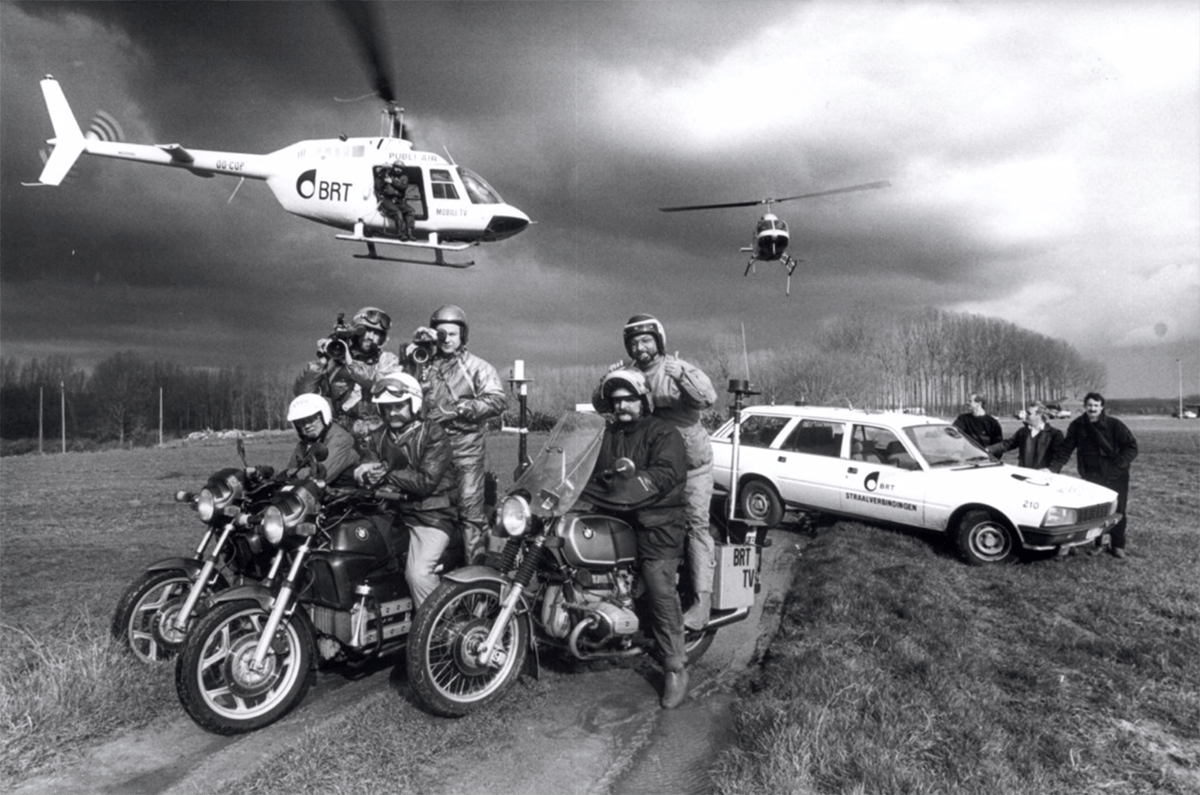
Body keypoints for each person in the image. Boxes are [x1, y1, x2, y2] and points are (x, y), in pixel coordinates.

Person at [592, 314, 718, 631]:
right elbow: (604, 405)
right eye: (634, 342)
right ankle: (631, 593)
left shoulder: (676, 369)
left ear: (659, 341)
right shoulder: (629, 373)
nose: (640, 347)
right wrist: (606, 380)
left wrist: (683, 377)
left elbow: (708, 398)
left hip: (691, 465)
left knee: (695, 525)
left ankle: (701, 603)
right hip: (650, 464)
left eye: (646, 340)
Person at [586, 369, 690, 709]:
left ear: (643, 400)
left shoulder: (664, 433)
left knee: (658, 585)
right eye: (616, 401)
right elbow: (585, 463)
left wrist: (634, 485)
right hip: (616, 512)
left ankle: (675, 666)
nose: (621, 406)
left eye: (629, 399)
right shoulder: (607, 433)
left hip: (657, 520)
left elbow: (666, 472)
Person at [406, 305, 507, 564]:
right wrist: (411, 357)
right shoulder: (422, 363)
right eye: (441, 334)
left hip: (466, 451)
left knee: (470, 515)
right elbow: (400, 390)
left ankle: (476, 576)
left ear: (463, 336)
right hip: (429, 451)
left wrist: (457, 410)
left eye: (453, 334)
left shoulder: (477, 367)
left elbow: (497, 400)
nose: (447, 340)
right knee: (423, 509)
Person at [354, 372, 459, 606]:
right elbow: (368, 465)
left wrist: (386, 472)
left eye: (398, 406)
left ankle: (438, 624)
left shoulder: (433, 434)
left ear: (414, 403)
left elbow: (425, 482)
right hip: (392, 513)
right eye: (387, 407)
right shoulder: (378, 436)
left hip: (431, 515)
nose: (392, 412)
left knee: (418, 574)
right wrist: (364, 474)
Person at [1052, 392, 1138, 558]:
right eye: (1090, 405)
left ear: (1102, 407)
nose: (1092, 409)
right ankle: (1099, 544)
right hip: (1091, 476)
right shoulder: (1077, 425)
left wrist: (1119, 464)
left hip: (1116, 475)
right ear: (1085, 406)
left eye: (1096, 406)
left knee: (1119, 509)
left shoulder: (1115, 425)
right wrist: (1054, 468)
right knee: (1097, 511)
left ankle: (1118, 545)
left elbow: (1131, 447)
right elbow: (1066, 448)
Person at [299, 307, 402, 443]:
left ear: (382, 338)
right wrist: (322, 360)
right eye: (366, 331)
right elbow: (304, 394)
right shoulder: (335, 362)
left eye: (376, 333)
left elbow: (380, 384)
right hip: (343, 435)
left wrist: (350, 362)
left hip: (379, 434)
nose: (370, 337)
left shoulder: (388, 360)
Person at [284, 393, 359, 487]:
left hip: (348, 492)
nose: (307, 425)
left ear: (324, 416)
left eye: (311, 419)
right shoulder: (304, 445)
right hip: (317, 492)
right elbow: (291, 470)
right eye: (301, 422)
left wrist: (286, 475)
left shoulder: (341, 439)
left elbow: (320, 474)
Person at [986, 400, 1065, 471]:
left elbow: (1059, 457)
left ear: (1039, 415)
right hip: (1024, 474)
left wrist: (1051, 470)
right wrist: (986, 450)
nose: (1025, 415)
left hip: (1044, 477)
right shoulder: (1023, 432)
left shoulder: (1055, 434)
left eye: (1029, 413)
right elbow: (1007, 444)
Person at [374, 162, 414, 240]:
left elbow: (403, 187)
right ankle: (400, 234)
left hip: (398, 200)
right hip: (387, 200)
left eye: (400, 168)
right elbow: (378, 187)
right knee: (397, 212)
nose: (398, 170)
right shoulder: (386, 176)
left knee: (410, 211)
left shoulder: (404, 177)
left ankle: (409, 233)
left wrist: (392, 182)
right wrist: (381, 178)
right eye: (397, 167)